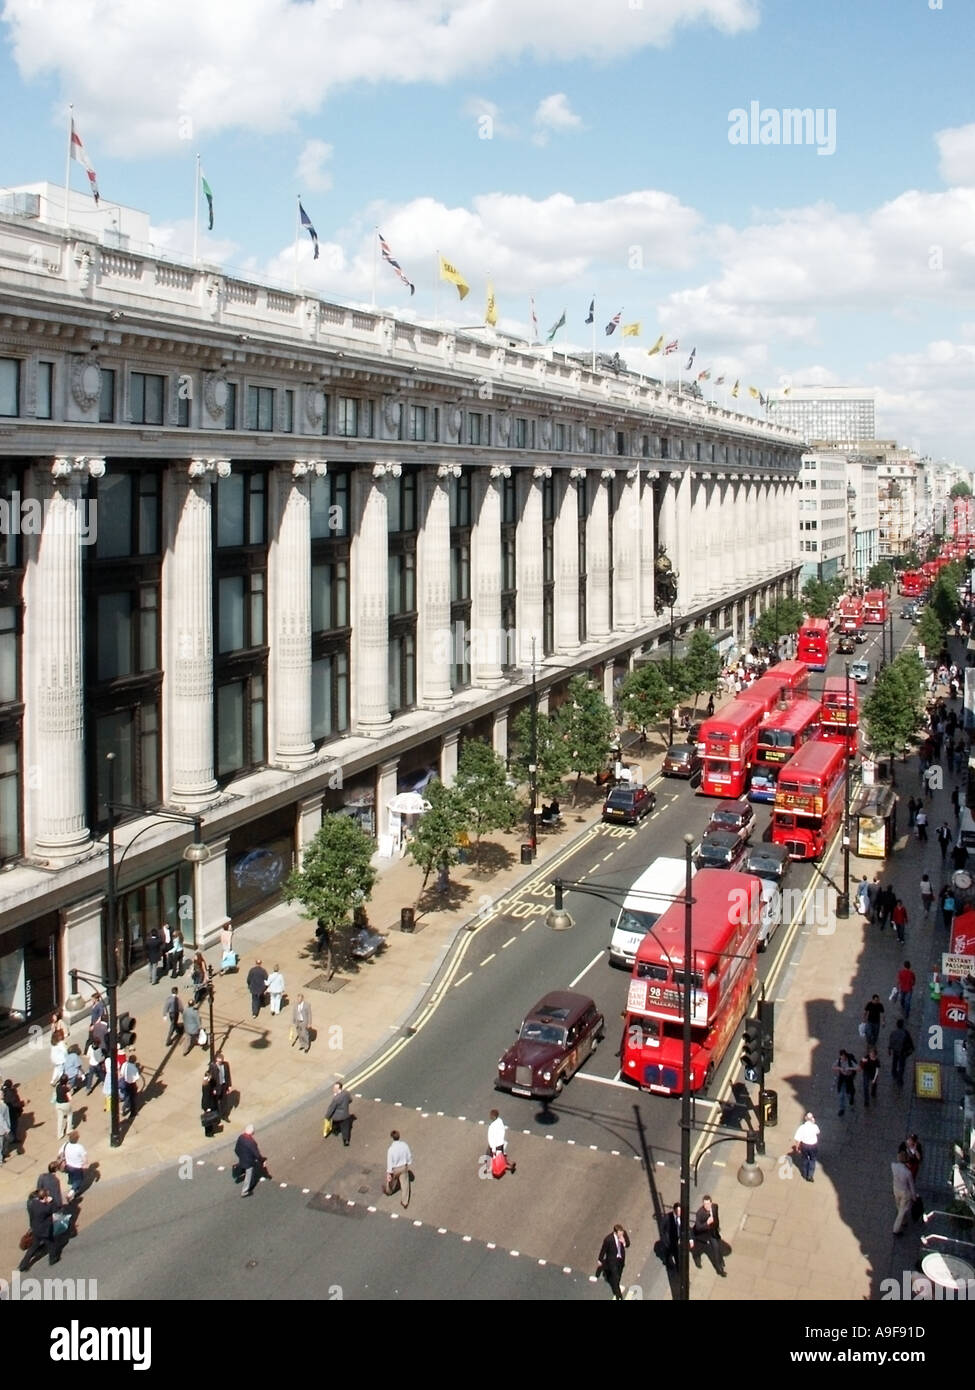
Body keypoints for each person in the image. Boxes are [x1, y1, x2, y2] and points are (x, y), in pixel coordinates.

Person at [18, 1188, 63, 1271]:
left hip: (35, 1229)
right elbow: (56, 1211)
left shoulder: (33, 1204)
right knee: (51, 1244)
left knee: (33, 1247)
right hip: (44, 1230)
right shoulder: (46, 1208)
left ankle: (23, 1264)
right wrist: (52, 1201)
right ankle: (53, 1259)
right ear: (45, 1197)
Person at [692, 1196, 726, 1276]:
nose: (706, 1206)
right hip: (701, 1235)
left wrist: (716, 1226)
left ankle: (719, 1269)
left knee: (716, 1248)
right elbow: (698, 1227)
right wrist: (707, 1223)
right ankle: (697, 1259)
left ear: (711, 1203)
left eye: (708, 1204)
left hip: (711, 1233)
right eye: (704, 1204)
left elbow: (716, 1218)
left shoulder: (715, 1207)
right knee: (698, 1250)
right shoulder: (700, 1213)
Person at [595, 1223, 630, 1299]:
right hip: (612, 1261)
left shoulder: (623, 1234)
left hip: (621, 1260)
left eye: (622, 1233)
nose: (621, 1235)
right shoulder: (608, 1239)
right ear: (615, 1232)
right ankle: (618, 1295)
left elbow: (628, 1244)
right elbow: (603, 1250)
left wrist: (624, 1242)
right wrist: (600, 1259)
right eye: (619, 1234)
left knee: (618, 1276)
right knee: (616, 1278)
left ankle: (614, 1282)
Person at [235, 1123, 267, 1198]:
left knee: (243, 1166)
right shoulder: (251, 1142)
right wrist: (262, 1161)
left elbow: (236, 1149)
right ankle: (245, 1191)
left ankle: (240, 1172)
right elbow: (256, 1154)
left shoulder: (241, 1137)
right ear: (252, 1132)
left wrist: (240, 1156)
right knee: (249, 1175)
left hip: (242, 1158)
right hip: (249, 1162)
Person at [892, 1147, 917, 1235]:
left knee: (898, 1205)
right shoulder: (907, 1173)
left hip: (895, 1188)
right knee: (902, 1211)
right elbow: (911, 1186)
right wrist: (914, 1197)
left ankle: (904, 1221)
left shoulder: (893, 1166)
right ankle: (896, 1229)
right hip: (904, 1192)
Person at [384, 1129, 413, 1199]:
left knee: (391, 1182)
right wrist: (408, 1163)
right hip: (403, 1167)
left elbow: (389, 1162)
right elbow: (409, 1155)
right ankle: (404, 1201)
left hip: (395, 1169)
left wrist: (389, 1172)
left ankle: (389, 1191)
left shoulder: (391, 1149)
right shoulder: (404, 1145)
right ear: (399, 1136)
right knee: (405, 1184)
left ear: (392, 1137)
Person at [486, 1107, 516, 1174]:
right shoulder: (500, 1121)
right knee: (501, 1156)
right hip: (501, 1143)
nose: (490, 1116)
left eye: (491, 1115)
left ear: (493, 1116)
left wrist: (493, 1149)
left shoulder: (492, 1126)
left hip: (495, 1145)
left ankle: (509, 1167)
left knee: (496, 1159)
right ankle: (511, 1163)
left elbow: (491, 1138)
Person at [323, 1081, 353, 1146]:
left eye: (335, 1088)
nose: (333, 1089)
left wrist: (327, 1117)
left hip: (337, 1117)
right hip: (345, 1115)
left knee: (335, 1124)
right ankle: (346, 1140)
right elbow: (350, 1100)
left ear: (339, 1089)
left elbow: (331, 1109)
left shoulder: (336, 1098)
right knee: (346, 1128)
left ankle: (335, 1132)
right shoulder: (346, 1093)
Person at [888, 1018, 915, 1086]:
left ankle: (894, 1073)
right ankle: (899, 1080)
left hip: (895, 1051)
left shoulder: (894, 1032)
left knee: (894, 1062)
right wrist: (911, 1050)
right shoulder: (905, 1033)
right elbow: (910, 1042)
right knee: (901, 1066)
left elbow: (891, 1041)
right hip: (902, 1052)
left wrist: (889, 1049)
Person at [794, 1112, 820, 1182]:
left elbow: (797, 1139)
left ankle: (805, 1174)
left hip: (804, 1146)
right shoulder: (814, 1126)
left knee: (805, 1159)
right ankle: (810, 1175)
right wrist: (814, 1123)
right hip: (813, 1146)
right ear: (812, 1119)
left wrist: (797, 1147)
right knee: (812, 1160)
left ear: (805, 1118)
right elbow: (818, 1132)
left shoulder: (802, 1127)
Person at [60, 1131, 88, 1196]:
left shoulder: (65, 1144)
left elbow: (60, 1153)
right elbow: (84, 1158)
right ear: (77, 1139)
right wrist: (85, 1164)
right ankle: (71, 1192)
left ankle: (73, 1186)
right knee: (78, 1180)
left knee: (71, 1176)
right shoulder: (79, 1147)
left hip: (68, 1166)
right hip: (77, 1168)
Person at [2, 1079, 24, 1155]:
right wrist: (23, 1104)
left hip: (8, 1113)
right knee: (13, 1126)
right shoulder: (11, 1093)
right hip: (12, 1113)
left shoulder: (4, 1091)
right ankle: (13, 1139)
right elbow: (15, 1104)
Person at [833, 1050, 857, 1116]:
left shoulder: (850, 1061)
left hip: (849, 1079)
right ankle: (842, 1109)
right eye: (841, 1057)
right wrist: (840, 1069)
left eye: (843, 1057)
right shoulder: (839, 1060)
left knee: (849, 1093)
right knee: (841, 1095)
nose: (842, 1058)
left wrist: (849, 1068)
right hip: (842, 1079)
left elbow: (858, 1068)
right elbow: (833, 1067)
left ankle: (851, 1100)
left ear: (846, 1056)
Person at [120, 1053, 142, 1118]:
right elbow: (137, 1077)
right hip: (131, 1084)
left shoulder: (124, 1064)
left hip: (125, 1082)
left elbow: (122, 1073)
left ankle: (126, 1108)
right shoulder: (134, 1068)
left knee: (127, 1096)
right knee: (131, 1098)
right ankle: (128, 1110)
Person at [52, 1072, 72, 1141]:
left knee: (60, 1119)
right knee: (69, 1115)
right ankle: (68, 1130)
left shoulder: (58, 1086)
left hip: (58, 1104)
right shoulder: (66, 1089)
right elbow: (70, 1097)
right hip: (65, 1104)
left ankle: (59, 1134)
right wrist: (69, 1087)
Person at [213, 1052, 233, 1122]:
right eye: (218, 1062)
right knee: (216, 1102)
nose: (219, 1063)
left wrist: (229, 1085)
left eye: (220, 1062)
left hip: (224, 1085)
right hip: (217, 1086)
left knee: (224, 1101)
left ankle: (225, 1116)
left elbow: (228, 1075)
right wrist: (214, 1089)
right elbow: (212, 1079)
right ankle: (217, 1116)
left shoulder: (226, 1065)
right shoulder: (213, 1067)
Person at [663, 1202, 683, 1272]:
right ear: (674, 1210)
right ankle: (667, 1261)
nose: (680, 1212)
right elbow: (663, 1229)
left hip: (677, 1240)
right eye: (678, 1211)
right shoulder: (667, 1218)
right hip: (670, 1241)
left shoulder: (681, 1217)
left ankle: (679, 1271)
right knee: (669, 1253)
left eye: (681, 1211)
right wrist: (666, 1241)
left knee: (677, 1257)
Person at [201, 1069, 221, 1138]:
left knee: (209, 1119)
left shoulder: (207, 1083)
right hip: (207, 1105)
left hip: (208, 1103)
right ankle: (208, 1133)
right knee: (208, 1119)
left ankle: (210, 1131)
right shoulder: (206, 1086)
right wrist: (208, 1108)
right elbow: (206, 1097)